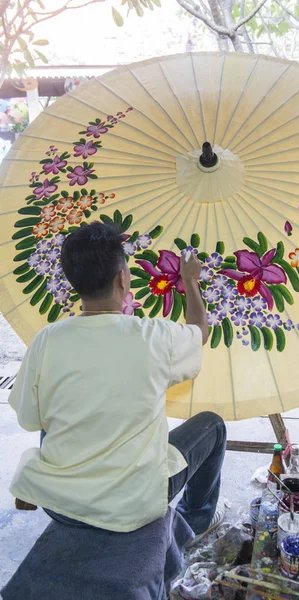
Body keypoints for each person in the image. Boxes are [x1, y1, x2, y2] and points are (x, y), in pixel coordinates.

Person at [5, 223, 226, 584]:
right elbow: (199, 331)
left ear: (73, 281)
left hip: (60, 502)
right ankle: (196, 521)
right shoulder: (154, 336)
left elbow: (32, 419)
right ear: (124, 279)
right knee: (213, 425)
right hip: (134, 506)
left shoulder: (46, 340)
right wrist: (190, 281)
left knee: (54, 411)